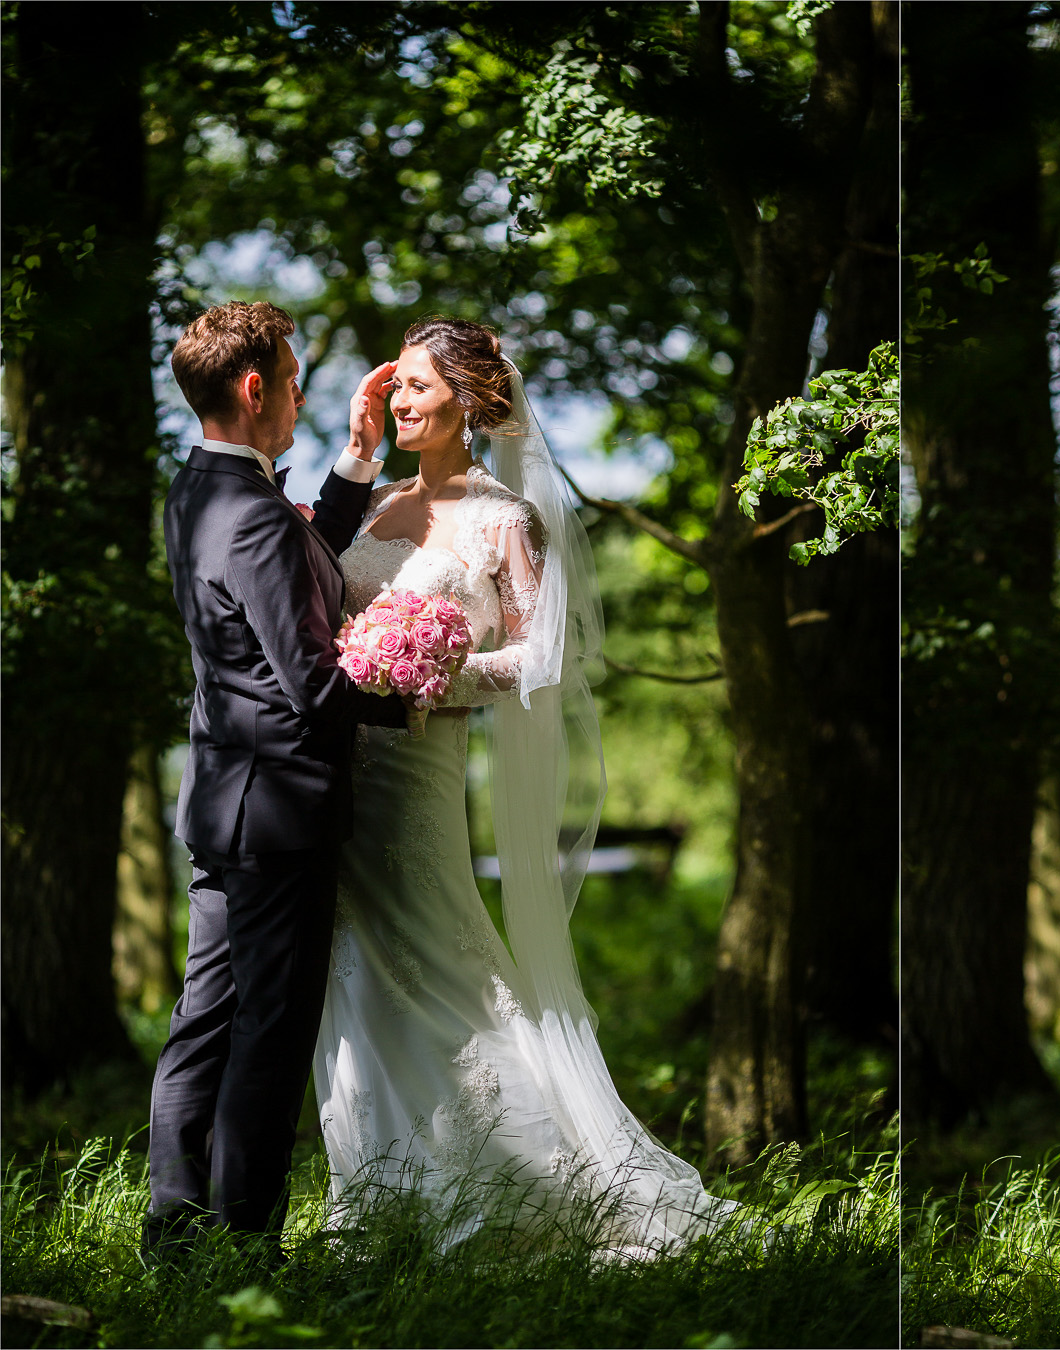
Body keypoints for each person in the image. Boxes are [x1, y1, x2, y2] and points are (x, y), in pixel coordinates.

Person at [313, 315, 732, 1253]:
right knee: (353, 970)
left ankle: (528, 1188)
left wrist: (432, 675)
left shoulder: (509, 519)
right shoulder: (369, 505)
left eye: (418, 385)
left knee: (440, 956)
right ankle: (379, 1197)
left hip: (421, 768)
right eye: (398, 384)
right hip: (338, 775)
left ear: (468, 400)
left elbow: (544, 658)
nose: (402, 399)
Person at [146, 302, 411, 1260]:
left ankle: (173, 1233)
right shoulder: (249, 513)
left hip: (223, 803)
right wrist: (425, 695)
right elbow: (311, 685)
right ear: (255, 388)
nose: (300, 394)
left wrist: (355, 458)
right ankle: (244, 1244)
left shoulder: (202, 493)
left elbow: (298, 564)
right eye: (295, 380)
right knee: (267, 1029)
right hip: (281, 812)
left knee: (205, 1019)